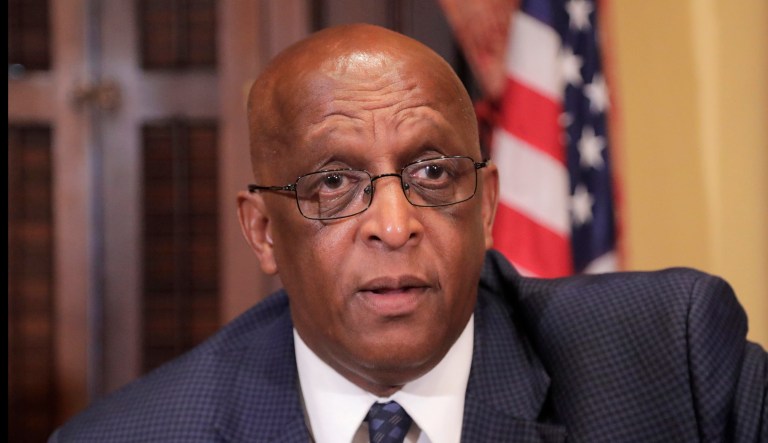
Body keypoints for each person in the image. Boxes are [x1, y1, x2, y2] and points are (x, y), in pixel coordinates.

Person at [50, 24, 766, 443]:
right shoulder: (134, 436)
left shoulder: (671, 363)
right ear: (263, 230)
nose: (395, 226)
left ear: (486, 204)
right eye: (332, 183)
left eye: (432, 171)